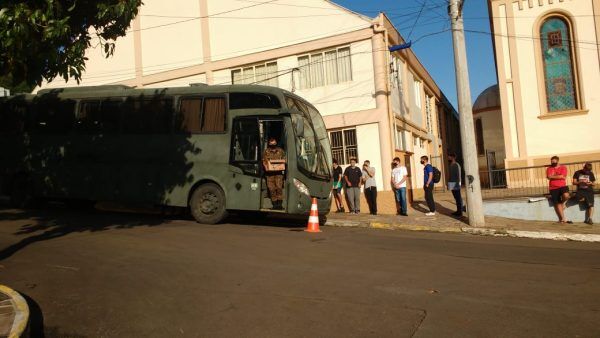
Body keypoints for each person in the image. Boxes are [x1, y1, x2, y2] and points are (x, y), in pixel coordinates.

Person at [546, 156, 571, 224]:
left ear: (557, 161)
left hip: (562, 186)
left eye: (554, 162)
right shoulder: (549, 168)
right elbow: (548, 177)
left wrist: (553, 176)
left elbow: (563, 176)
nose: (552, 163)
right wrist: (558, 176)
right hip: (553, 188)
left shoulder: (563, 167)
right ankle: (562, 219)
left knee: (566, 195)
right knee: (557, 204)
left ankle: (563, 203)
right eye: (551, 161)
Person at [262, 137, 285, 210]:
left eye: (274, 143)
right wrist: (266, 167)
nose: (272, 145)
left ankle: (280, 205)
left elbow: (284, 160)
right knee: (271, 189)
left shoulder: (280, 151)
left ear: (276, 143)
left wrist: (282, 165)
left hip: (278, 173)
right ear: (269, 144)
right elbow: (264, 161)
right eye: (271, 143)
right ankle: (274, 205)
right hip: (269, 174)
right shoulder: (266, 151)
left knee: (279, 188)